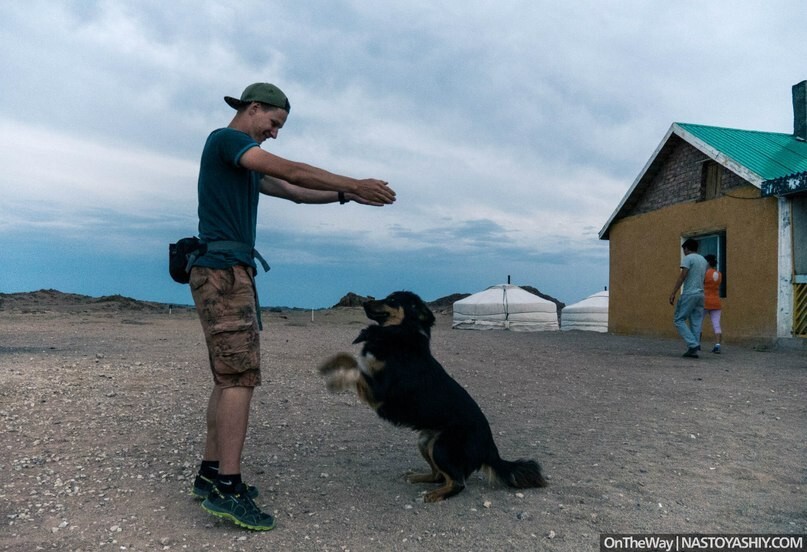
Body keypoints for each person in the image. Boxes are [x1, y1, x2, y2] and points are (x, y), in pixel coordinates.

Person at [188, 82, 396, 531]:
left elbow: (296, 191)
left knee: (228, 378)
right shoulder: (227, 141)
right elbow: (294, 171)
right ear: (254, 107)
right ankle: (228, 485)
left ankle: (209, 475)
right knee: (240, 378)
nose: (275, 133)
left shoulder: (241, 164)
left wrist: (347, 196)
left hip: (226, 270)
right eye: (274, 123)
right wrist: (353, 180)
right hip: (223, 272)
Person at [668, 238, 708, 358]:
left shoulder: (688, 258)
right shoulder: (703, 260)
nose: (684, 252)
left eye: (684, 249)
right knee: (696, 321)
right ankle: (693, 350)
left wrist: (673, 292)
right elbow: (703, 278)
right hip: (701, 294)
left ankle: (693, 344)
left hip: (689, 293)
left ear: (686, 248)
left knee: (679, 319)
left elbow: (682, 276)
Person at [703, 254, 723, 354]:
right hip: (716, 301)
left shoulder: (705, 273)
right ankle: (718, 345)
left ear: (707, 262)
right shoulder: (719, 274)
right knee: (716, 324)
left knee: (697, 323)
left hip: (705, 301)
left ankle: (696, 344)